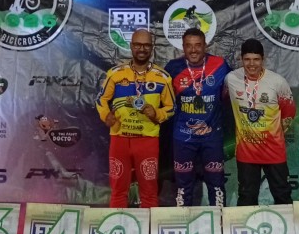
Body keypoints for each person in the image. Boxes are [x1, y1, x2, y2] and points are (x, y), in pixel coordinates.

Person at [96, 29, 175, 208]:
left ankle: (148, 226)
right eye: (138, 45)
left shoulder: (163, 77)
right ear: (131, 46)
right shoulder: (115, 73)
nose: (142, 49)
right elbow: (101, 100)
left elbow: (172, 108)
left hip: (147, 140)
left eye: (146, 45)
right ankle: (116, 225)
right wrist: (106, 115)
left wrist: (157, 114)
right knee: (118, 191)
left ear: (152, 48)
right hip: (119, 139)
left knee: (149, 192)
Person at [225, 38, 296, 206]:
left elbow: (289, 111)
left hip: (273, 150)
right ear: (241, 59)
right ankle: (245, 225)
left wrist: (275, 132)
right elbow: (224, 103)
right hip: (246, 152)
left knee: (282, 195)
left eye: (256, 59)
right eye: (247, 59)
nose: (252, 64)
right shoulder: (231, 79)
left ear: (263, 59)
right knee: (247, 197)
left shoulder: (277, 81)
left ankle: (287, 224)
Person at [165, 28, 231, 207]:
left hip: (212, 136)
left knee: (216, 184)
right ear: (183, 47)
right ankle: (182, 220)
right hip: (183, 137)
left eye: (198, 45)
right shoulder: (173, 68)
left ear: (205, 46)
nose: (193, 50)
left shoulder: (220, 65)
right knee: (183, 187)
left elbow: (235, 87)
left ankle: (219, 220)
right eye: (189, 46)